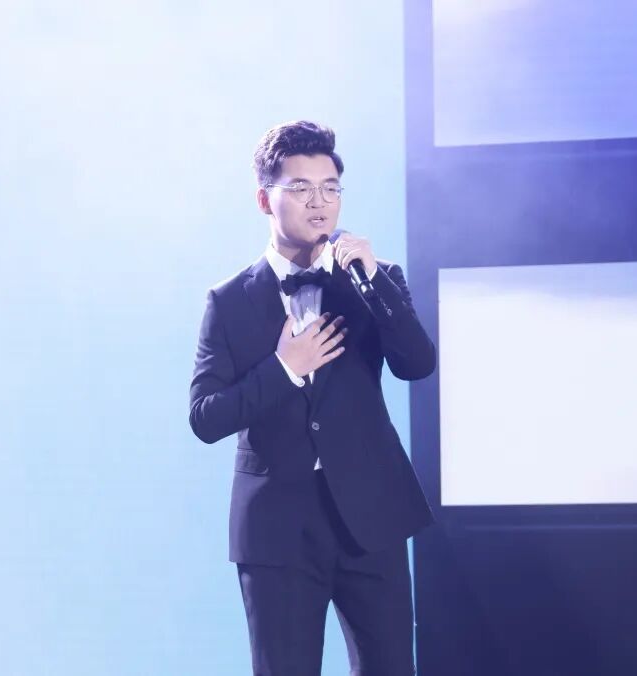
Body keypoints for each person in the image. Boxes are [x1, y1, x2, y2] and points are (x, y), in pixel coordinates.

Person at [188, 120, 436, 675]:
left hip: (371, 514)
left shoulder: (375, 279)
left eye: (330, 187)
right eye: (300, 187)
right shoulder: (228, 301)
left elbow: (417, 364)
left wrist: (374, 281)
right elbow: (205, 418)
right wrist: (284, 369)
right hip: (277, 528)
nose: (319, 202)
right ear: (264, 199)